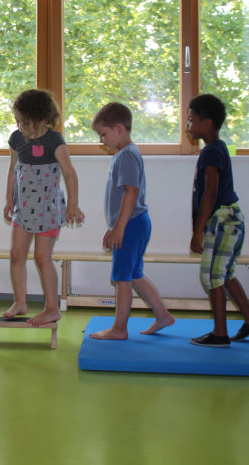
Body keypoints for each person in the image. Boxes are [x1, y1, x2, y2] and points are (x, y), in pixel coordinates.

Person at [88, 102, 175, 340]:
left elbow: (131, 193)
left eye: (103, 134)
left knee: (122, 277)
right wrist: (113, 227)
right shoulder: (126, 153)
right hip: (135, 222)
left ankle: (119, 328)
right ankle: (163, 315)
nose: (101, 140)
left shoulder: (126, 155)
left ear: (118, 128)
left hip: (132, 224)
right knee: (134, 273)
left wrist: (120, 228)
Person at [3, 89, 84, 326]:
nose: (19, 126)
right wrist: (9, 199)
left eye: (24, 121)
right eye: (17, 121)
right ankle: (20, 302)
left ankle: (51, 308)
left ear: (41, 119)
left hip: (48, 208)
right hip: (23, 207)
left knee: (42, 257)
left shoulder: (54, 140)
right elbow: (12, 170)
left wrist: (73, 205)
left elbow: (70, 173)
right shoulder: (17, 139)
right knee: (16, 254)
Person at [187, 94, 249, 347]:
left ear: (207, 123)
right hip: (229, 219)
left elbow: (210, 192)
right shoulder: (215, 149)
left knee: (211, 276)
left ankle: (220, 333)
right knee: (225, 274)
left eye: (191, 120)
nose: (188, 125)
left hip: (223, 220)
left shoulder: (211, 151)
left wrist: (198, 232)